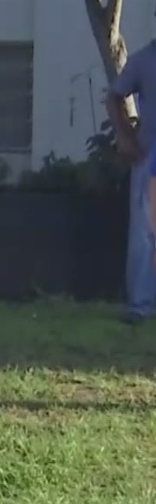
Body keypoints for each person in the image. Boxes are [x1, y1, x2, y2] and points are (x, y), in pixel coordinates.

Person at [107, 32, 156, 323]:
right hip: (151, 153)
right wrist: (125, 137)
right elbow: (114, 97)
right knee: (144, 231)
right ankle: (140, 305)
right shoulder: (143, 60)